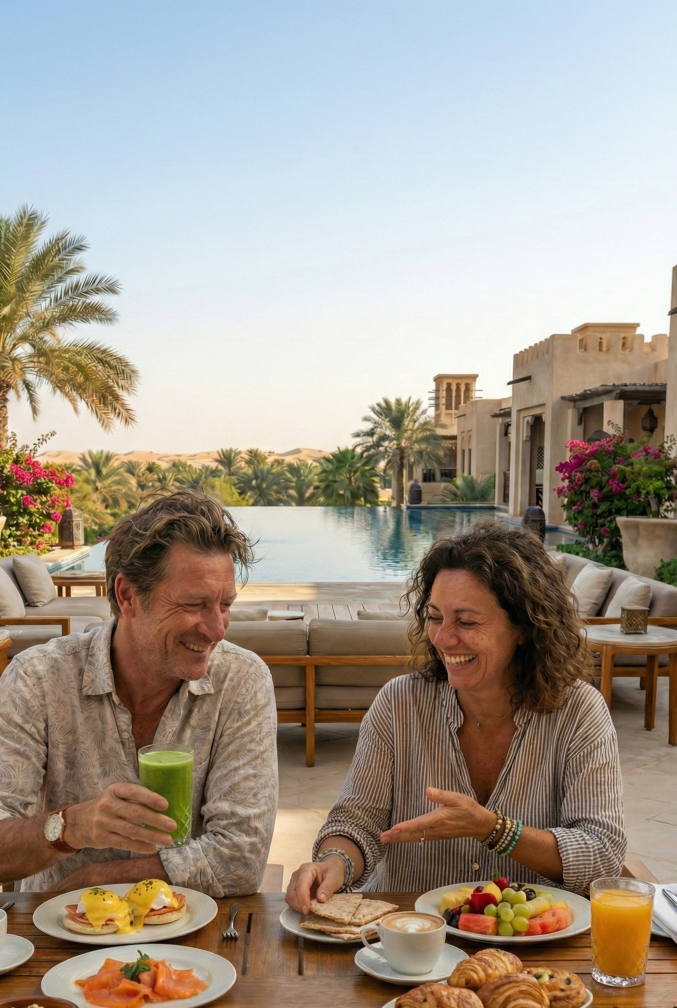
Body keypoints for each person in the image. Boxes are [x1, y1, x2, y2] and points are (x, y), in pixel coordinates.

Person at [286, 522, 626, 909]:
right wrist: (334, 864)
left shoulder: (579, 712)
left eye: (466, 622)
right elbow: (357, 822)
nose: (444, 638)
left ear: (524, 627)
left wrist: (493, 830)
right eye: (435, 617)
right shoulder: (399, 704)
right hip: (410, 935)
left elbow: (602, 855)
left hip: (532, 941)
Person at [0, 490, 278, 895]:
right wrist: (71, 827)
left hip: (190, 929)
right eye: (194, 604)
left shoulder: (242, 681)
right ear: (127, 596)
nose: (217, 630)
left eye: (224, 605)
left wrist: (93, 881)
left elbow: (241, 858)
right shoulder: (37, 679)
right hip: (55, 927)